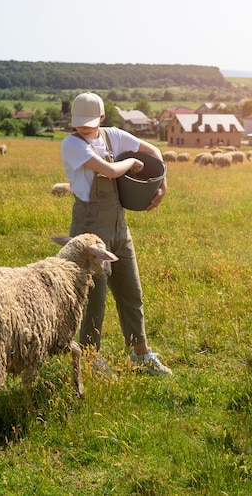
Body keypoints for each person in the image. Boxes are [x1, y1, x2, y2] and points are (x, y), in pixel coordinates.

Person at [61, 92, 171, 376]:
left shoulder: (112, 136)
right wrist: (130, 164)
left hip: (119, 227)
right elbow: (109, 171)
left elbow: (154, 153)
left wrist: (162, 184)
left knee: (131, 293)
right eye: (79, 123)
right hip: (90, 229)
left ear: (102, 117)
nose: (84, 128)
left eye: (89, 122)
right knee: (93, 301)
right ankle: (88, 360)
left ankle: (141, 354)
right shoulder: (72, 144)